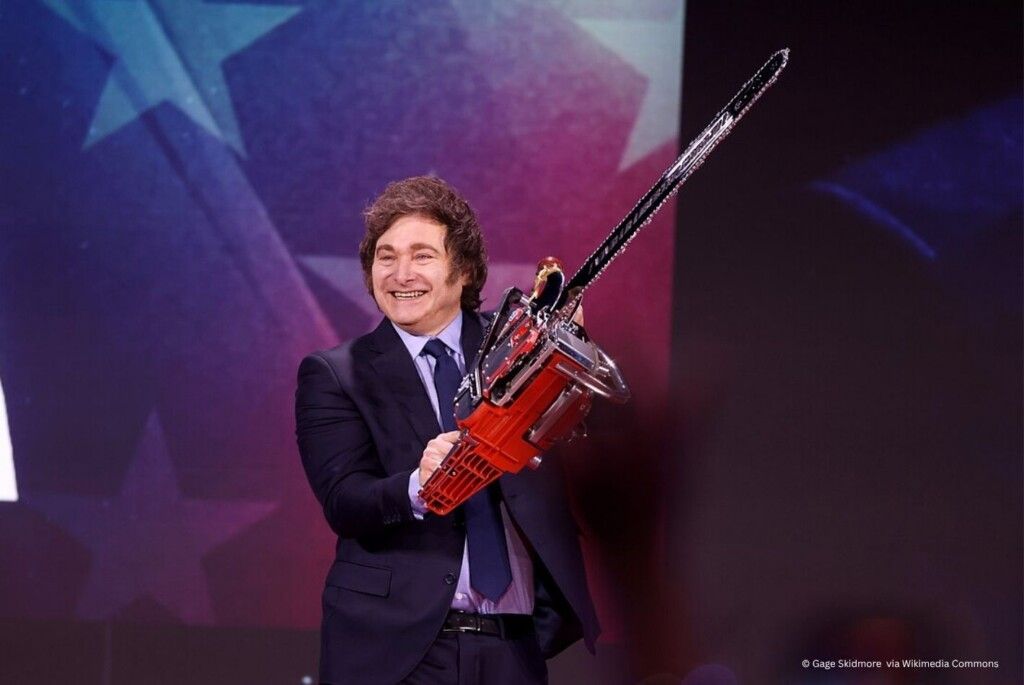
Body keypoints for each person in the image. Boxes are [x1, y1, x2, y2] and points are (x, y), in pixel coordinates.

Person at [295, 176, 599, 685]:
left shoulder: (517, 351)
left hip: (515, 648)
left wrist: (569, 359)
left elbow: (587, 444)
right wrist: (420, 485)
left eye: (422, 255)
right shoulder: (336, 373)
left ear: (464, 270)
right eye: (386, 257)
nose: (401, 274)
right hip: (396, 653)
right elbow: (345, 501)